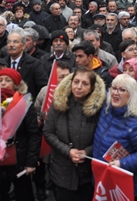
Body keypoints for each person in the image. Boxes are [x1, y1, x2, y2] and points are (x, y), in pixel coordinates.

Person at [43, 67, 106, 201]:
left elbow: (104, 137)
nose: (79, 87)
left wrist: (87, 152)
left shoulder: (100, 108)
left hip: (88, 173)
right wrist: (68, 151)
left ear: (91, 87)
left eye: (84, 84)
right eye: (76, 82)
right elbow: (48, 132)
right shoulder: (59, 102)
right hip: (62, 170)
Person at [93, 74, 137, 200]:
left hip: (134, 189)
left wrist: (122, 164)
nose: (115, 93)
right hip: (108, 183)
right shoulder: (106, 110)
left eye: (122, 90)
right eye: (113, 88)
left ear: (132, 95)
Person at [0, 68, 40, 201]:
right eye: (0, 80)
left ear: (17, 84)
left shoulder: (24, 103)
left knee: (23, 193)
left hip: (20, 157)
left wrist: (31, 161)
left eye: (8, 80)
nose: (3, 83)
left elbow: (33, 134)